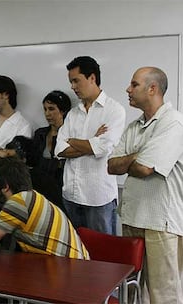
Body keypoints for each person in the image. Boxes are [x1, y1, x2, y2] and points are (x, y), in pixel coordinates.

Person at [108, 67, 183, 303]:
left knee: (163, 294)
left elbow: (144, 169)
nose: (128, 90)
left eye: (134, 85)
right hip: (132, 217)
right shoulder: (134, 126)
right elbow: (112, 166)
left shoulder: (173, 123)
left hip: (161, 221)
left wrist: (133, 158)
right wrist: (140, 154)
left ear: (152, 89)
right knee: (131, 290)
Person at [54, 56, 125, 234]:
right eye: (71, 82)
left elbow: (102, 148)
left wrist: (72, 141)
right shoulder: (73, 114)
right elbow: (59, 150)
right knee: (76, 254)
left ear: (92, 78)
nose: (72, 87)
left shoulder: (114, 110)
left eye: (76, 81)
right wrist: (91, 142)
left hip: (98, 197)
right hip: (71, 194)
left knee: (103, 257)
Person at [0, 158, 89, 260]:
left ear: (5, 186)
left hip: (67, 270)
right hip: (74, 267)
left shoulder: (19, 201)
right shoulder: (33, 197)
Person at [30, 90, 71, 211]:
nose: (47, 113)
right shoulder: (40, 133)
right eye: (45, 109)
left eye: (51, 109)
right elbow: (33, 160)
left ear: (62, 111)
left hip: (60, 191)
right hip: (39, 189)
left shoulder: (70, 135)